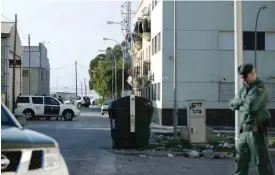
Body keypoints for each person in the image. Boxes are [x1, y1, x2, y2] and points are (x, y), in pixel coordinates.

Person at [229, 64, 273, 175]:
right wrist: (241, 101)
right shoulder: (243, 89)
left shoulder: (260, 87)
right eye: (241, 77)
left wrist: (242, 102)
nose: (243, 79)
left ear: (253, 74)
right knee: (240, 161)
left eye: (245, 77)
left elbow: (252, 106)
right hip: (244, 130)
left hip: (256, 129)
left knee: (261, 162)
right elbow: (232, 104)